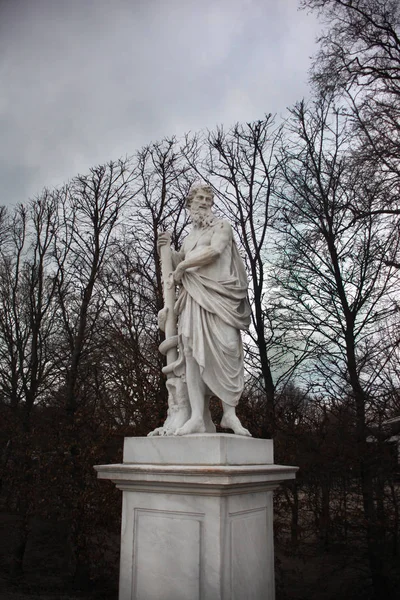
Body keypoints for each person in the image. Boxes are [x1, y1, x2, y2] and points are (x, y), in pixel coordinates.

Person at [158, 182, 251, 436]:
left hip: (221, 298)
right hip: (193, 299)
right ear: (190, 204)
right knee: (191, 353)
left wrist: (182, 267)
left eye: (207, 199)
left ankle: (229, 415)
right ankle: (197, 417)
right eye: (198, 198)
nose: (204, 202)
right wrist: (169, 251)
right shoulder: (189, 239)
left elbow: (214, 251)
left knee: (229, 347)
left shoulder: (222, 226)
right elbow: (180, 262)